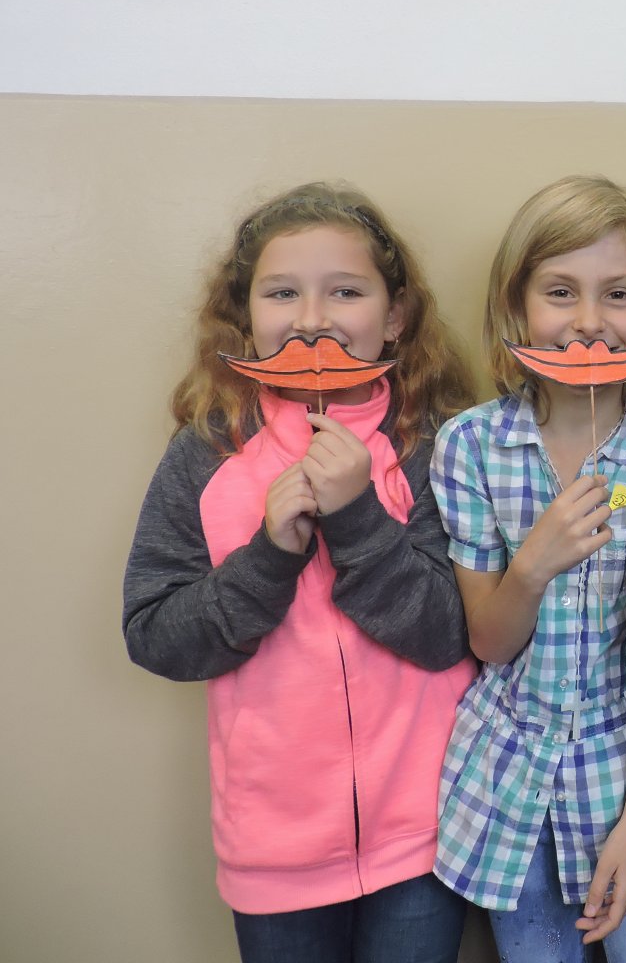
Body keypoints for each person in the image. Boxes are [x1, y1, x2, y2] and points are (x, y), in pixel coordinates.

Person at [123, 181, 477, 963]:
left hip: (427, 837)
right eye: (282, 293)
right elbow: (154, 634)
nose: (312, 319)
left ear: (395, 316)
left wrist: (358, 519)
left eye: (345, 292)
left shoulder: (436, 444)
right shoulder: (209, 450)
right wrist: (270, 557)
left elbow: (451, 634)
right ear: (245, 316)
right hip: (273, 852)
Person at [430, 175, 626, 962]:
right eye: (559, 292)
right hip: (509, 787)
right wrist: (532, 567)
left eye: (617, 294)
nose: (588, 322)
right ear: (516, 307)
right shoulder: (470, 447)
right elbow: (488, 642)